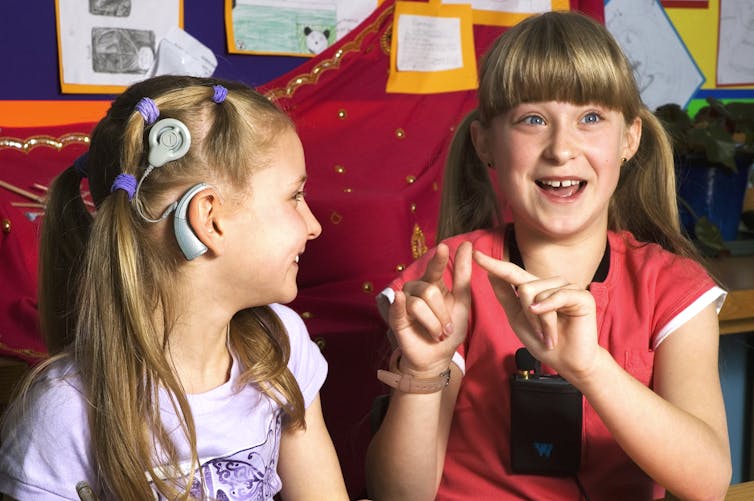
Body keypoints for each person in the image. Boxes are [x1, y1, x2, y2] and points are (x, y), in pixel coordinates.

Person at [365, 11, 731, 501]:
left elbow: (708, 483)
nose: (562, 149)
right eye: (533, 119)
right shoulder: (449, 278)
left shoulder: (674, 290)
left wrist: (589, 367)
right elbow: (399, 495)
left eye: (591, 118)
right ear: (485, 143)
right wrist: (423, 373)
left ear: (630, 139)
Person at [0, 75, 349, 500]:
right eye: (295, 196)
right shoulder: (64, 411)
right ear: (210, 218)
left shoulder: (282, 344)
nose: (314, 226)